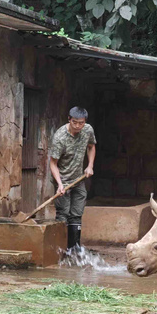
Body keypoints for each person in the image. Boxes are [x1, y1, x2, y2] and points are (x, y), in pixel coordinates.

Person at [49, 106, 96, 250]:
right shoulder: (60, 137)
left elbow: (91, 146)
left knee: (76, 214)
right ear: (69, 119)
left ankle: (74, 251)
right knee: (63, 214)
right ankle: (60, 251)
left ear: (85, 122)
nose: (77, 126)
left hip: (78, 179)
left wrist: (90, 166)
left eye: (81, 123)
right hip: (62, 180)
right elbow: (53, 163)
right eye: (74, 122)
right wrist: (59, 184)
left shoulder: (88, 130)